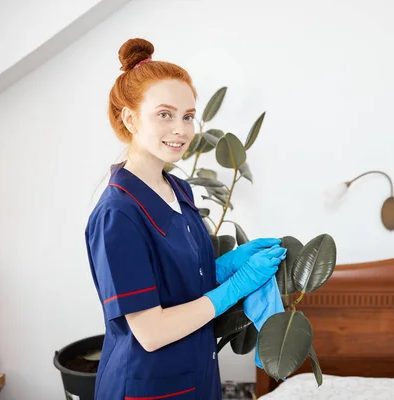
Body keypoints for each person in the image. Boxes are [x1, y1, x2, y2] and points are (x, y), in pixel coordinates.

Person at [84, 38, 286, 400]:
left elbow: (183, 281)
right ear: (130, 118)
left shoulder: (179, 190)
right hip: (146, 386)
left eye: (188, 116)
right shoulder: (118, 214)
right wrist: (235, 287)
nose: (181, 129)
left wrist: (226, 266)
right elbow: (151, 331)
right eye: (165, 114)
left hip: (197, 376)